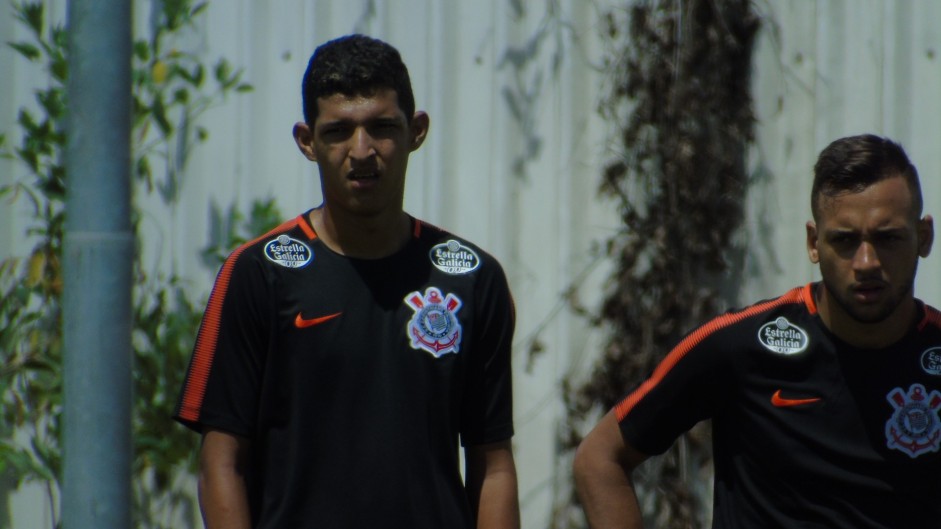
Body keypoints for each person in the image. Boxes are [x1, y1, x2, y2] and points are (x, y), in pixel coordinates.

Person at [174, 34, 520, 529]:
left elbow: (493, 464)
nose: (361, 151)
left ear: (416, 131)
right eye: (339, 131)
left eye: (381, 127)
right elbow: (220, 463)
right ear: (307, 141)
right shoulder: (257, 273)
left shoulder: (472, 279)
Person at [573, 134, 940, 528]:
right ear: (814, 243)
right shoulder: (738, 345)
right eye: (845, 240)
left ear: (923, 237)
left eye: (888, 238)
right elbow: (600, 457)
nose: (866, 262)